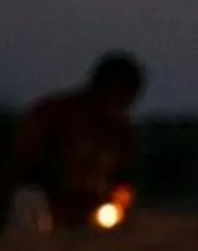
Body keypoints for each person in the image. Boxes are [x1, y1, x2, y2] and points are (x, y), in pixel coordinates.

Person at [9, 52, 145, 228]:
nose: (121, 102)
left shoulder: (123, 133)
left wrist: (119, 201)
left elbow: (127, 179)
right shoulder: (54, 114)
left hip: (93, 212)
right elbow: (20, 161)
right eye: (117, 92)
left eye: (127, 96)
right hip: (42, 204)